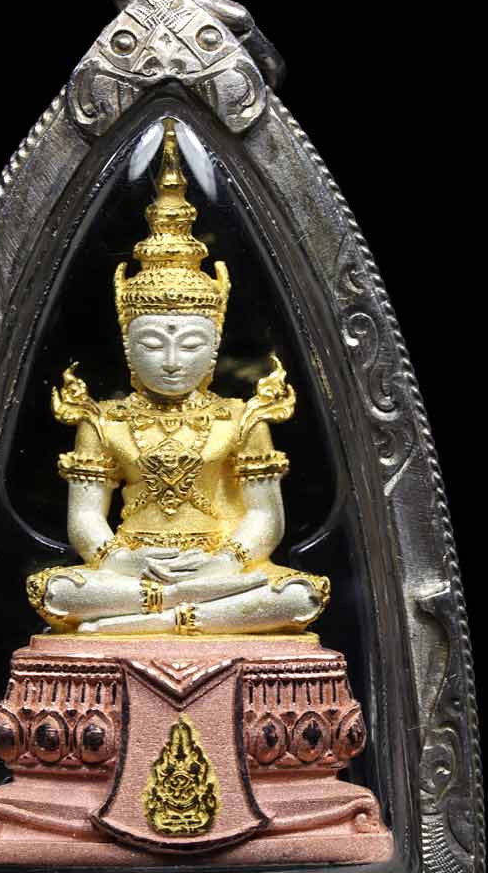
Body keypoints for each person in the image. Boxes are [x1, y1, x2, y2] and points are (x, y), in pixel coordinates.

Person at [26, 118, 330, 635]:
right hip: (132, 567)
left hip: (219, 566)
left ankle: (156, 618)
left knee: (302, 595)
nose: (172, 360)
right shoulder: (103, 421)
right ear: (128, 344)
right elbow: (85, 520)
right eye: (153, 344)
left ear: (214, 346)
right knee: (53, 590)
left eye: (190, 344)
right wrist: (120, 559)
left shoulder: (241, 417)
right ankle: (189, 611)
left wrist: (225, 560)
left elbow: (265, 518)